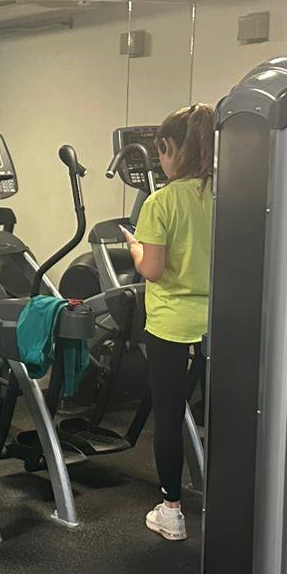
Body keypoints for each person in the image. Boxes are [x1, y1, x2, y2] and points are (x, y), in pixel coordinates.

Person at [127, 103, 215, 541]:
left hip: (171, 326)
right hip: (218, 323)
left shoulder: (160, 202)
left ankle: (171, 511)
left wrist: (134, 247)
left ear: (168, 148)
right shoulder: (228, 196)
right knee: (225, 415)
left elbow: (153, 269)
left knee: (168, 416)